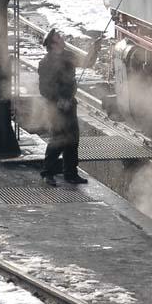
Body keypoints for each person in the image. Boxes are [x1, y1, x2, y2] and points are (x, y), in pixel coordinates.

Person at [38, 28, 102, 186]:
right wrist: (59, 100)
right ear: (53, 44)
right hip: (55, 107)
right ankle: (48, 173)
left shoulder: (68, 56)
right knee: (58, 139)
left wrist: (95, 49)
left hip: (70, 103)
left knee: (73, 139)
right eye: (59, 37)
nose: (62, 38)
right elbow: (44, 88)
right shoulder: (45, 63)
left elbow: (87, 63)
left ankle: (71, 173)